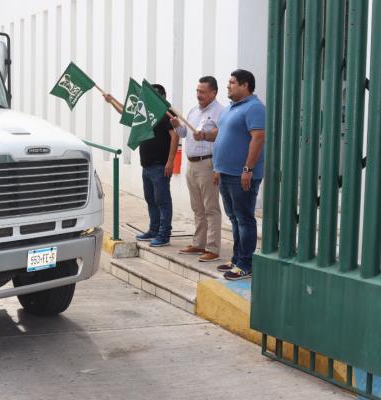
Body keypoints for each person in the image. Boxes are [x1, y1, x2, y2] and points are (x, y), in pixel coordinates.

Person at [104, 85, 179, 247]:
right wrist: (111, 101)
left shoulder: (167, 113)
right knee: (151, 199)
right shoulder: (146, 113)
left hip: (160, 165)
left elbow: (175, 136)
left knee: (163, 200)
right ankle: (153, 229)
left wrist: (170, 161)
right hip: (147, 165)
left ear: (162, 96)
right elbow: (127, 114)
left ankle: (164, 234)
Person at [213, 69, 266, 280]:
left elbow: (258, 138)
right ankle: (236, 259)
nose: (228, 86)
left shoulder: (254, 108)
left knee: (244, 219)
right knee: (234, 218)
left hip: (241, 175)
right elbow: (222, 135)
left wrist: (248, 169)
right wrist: (217, 167)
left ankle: (246, 263)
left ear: (245, 85)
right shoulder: (230, 109)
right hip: (225, 173)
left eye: (232, 82)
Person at [169, 76, 224, 263]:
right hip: (191, 164)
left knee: (211, 208)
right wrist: (177, 126)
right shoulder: (193, 111)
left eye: (202, 92)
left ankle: (213, 248)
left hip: (208, 164)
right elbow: (185, 134)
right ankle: (198, 243)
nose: (198, 95)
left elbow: (223, 138)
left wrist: (218, 167)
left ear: (213, 92)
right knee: (197, 207)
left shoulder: (220, 112)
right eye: (197, 91)